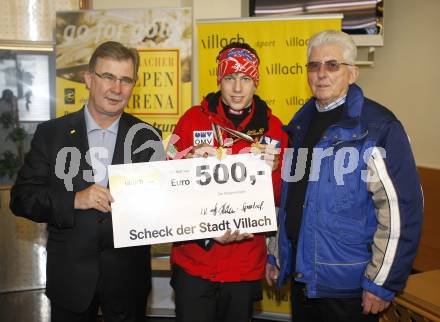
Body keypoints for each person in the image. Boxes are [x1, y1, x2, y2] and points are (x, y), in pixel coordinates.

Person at [266, 30, 423, 322]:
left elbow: (400, 211)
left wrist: (382, 283)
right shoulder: (298, 126)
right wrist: (278, 254)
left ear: (352, 73)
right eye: (313, 65)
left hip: (350, 290)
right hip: (304, 281)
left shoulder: (378, 128)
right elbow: (291, 199)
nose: (321, 73)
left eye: (332, 65)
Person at [10, 41, 163, 322]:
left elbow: (164, 205)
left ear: (133, 85)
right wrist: (74, 200)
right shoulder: (51, 134)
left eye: (125, 80)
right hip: (71, 279)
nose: (116, 88)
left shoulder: (147, 138)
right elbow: (22, 198)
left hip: (127, 281)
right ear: (89, 79)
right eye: (108, 77)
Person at [168, 42, 287, 322]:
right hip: (194, 262)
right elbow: (167, 177)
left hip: (243, 265)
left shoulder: (275, 130)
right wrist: (186, 162)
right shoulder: (190, 121)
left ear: (255, 82)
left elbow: (282, 199)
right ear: (219, 80)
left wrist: (275, 170)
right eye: (230, 78)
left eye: (245, 78)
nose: (237, 88)